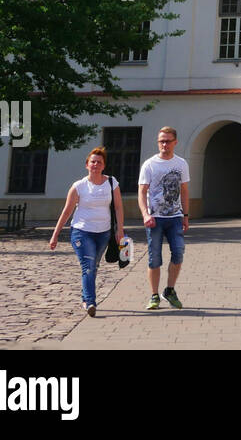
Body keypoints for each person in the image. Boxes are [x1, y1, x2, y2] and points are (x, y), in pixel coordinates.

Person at [49, 146, 125, 316]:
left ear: (104, 165)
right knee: (88, 266)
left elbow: (119, 208)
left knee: (94, 266)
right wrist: (55, 235)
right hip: (82, 232)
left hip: (104, 233)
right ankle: (90, 302)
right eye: (93, 162)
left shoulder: (112, 183)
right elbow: (67, 211)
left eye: (99, 162)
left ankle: (85, 296)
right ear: (87, 165)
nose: (96, 165)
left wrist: (120, 229)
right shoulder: (79, 186)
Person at [138, 126, 190, 310]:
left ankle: (169, 290)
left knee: (178, 254)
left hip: (175, 217)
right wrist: (145, 214)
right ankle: (154, 295)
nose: (164, 144)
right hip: (155, 218)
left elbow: (184, 191)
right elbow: (142, 191)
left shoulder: (181, 164)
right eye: (161, 141)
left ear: (175, 142)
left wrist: (185, 215)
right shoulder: (150, 164)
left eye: (168, 141)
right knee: (154, 259)